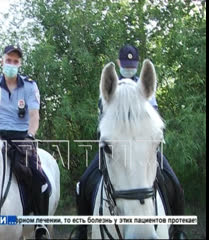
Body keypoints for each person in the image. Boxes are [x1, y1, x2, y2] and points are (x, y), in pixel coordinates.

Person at [72, 45, 187, 239]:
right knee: (83, 183)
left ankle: (178, 229)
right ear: (119, 64)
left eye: (132, 65)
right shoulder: (109, 88)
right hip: (115, 148)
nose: (129, 68)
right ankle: (82, 230)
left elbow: (153, 117)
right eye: (125, 64)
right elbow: (103, 122)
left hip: (143, 147)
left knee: (173, 182)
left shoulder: (144, 88)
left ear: (137, 64)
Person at [0, 45, 48, 239]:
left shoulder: (29, 86)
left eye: (15, 61)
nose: (12, 64)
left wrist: (30, 135)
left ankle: (40, 224)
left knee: (39, 176)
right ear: (2, 61)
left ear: (20, 63)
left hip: (22, 137)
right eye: (8, 60)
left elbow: (34, 115)